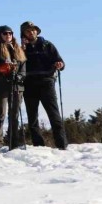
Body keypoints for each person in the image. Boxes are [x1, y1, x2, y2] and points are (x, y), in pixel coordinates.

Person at [20, 21, 67, 150]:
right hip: (29, 84)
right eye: (28, 31)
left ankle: (62, 145)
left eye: (33, 30)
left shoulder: (47, 45)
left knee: (54, 115)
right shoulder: (21, 49)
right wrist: (22, 49)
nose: (31, 32)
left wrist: (60, 65)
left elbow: (60, 61)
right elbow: (18, 65)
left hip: (47, 82)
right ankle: (38, 146)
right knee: (32, 118)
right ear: (23, 33)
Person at [0, 25, 27, 151]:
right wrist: (3, 74)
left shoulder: (18, 50)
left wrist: (19, 77)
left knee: (14, 115)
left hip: (16, 87)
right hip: (0, 86)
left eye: (10, 33)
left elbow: (23, 68)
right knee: (0, 115)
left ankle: (13, 142)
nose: (8, 35)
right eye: (5, 33)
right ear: (0, 35)